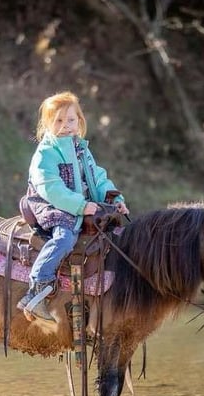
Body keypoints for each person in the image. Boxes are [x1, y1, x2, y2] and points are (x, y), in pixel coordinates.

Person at [18, 91, 129, 322]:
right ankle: (38, 285)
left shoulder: (82, 149)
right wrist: (81, 206)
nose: (66, 126)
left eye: (71, 119)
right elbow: (52, 188)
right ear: (47, 123)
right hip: (52, 205)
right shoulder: (46, 153)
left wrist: (114, 201)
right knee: (65, 238)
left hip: (80, 204)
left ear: (80, 121)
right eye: (58, 120)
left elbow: (96, 178)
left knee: (114, 232)